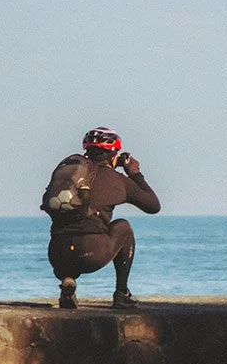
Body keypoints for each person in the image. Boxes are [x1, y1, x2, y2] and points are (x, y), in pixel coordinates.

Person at [42, 127, 161, 309]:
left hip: (58, 255)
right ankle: (122, 293)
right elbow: (153, 206)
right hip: (91, 254)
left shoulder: (70, 177)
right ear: (114, 155)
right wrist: (135, 174)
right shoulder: (118, 180)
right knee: (124, 227)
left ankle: (68, 280)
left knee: (69, 229)